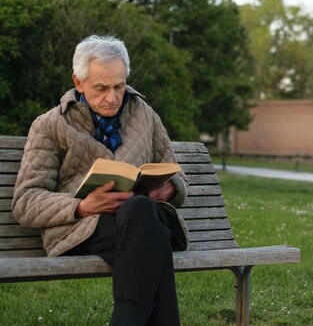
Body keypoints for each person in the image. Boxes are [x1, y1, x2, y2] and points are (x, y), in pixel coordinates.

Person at [12, 35, 189, 326]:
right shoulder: (51, 125)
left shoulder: (145, 115)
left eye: (119, 86)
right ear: (78, 82)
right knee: (150, 234)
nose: (112, 96)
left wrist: (170, 187)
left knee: (141, 213)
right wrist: (81, 206)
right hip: (86, 227)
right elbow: (26, 201)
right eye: (101, 88)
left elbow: (175, 172)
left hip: (142, 219)